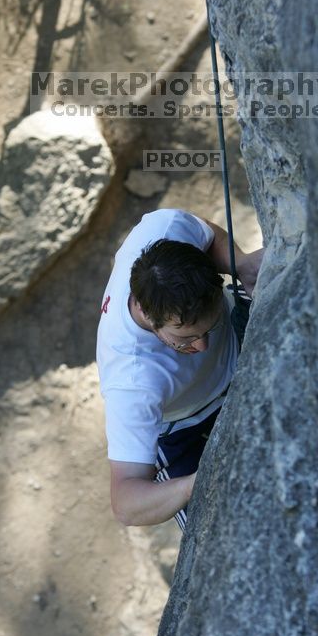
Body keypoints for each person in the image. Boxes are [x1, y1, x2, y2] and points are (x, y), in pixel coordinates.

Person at [96, 208, 263, 530]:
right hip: (186, 427)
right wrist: (197, 482)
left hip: (240, 338)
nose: (201, 347)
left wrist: (239, 264)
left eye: (207, 329)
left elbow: (207, 234)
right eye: (184, 339)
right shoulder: (133, 382)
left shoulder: (165, 229)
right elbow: (127, 502)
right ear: (145, 312)